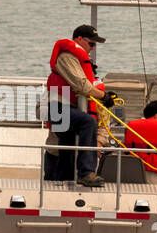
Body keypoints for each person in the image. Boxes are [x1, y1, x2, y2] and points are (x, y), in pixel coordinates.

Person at [43, 24, 109, 186]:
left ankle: (62, 180)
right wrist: (103, 96)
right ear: (79, 39)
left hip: (67, 109)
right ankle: (86, 173)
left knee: (67, 146)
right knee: (88, 121)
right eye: (91, 44)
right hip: (59, 108)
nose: (92, 49)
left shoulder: (77, 59)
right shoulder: (67, 57)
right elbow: (81, 85)